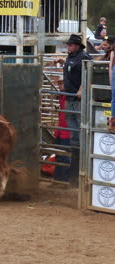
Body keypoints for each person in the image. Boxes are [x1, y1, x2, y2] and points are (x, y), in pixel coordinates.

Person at [54, 34, 92, 186]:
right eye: (68, 45)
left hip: (77, 99)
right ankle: (75, 171)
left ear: (77, 45)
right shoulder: (71, 57)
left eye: (70, 45)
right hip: (70, 99)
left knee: (78, 132)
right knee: (74, 132)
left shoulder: (84, 57)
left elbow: (88, 73)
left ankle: (79, 169)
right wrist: (62, 61)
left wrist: (82, 89)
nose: (68, 47)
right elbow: (73, 69)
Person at [53, 75, 71, 182]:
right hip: (60, 131)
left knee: (64, 156)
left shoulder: (69, 97)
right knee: (59, 155)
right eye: (59, 83)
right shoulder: (61, 96)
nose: (60, 85)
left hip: (66, 132)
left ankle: (63, 179)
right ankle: (58, 178)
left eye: (62, 83)